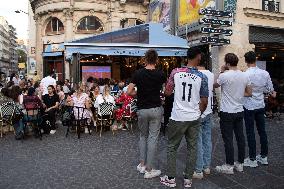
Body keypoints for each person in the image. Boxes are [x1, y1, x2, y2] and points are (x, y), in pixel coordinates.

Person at [160, 47, 208, 188]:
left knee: (172, 147)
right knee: (193, 148)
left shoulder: (175, 72)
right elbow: (204, 101)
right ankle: (188, 179)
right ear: (198, 57)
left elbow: (167, 92)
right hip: (193, 117)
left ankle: (170, 178)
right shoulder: (202, 77)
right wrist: (197, 112)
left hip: (177, 116)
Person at [127, 49, 166, 179]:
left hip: (142, 109)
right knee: (153, 138)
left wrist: (139, 93)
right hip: (155, 108)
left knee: (143, 136)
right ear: (157, 60)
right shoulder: (161, 74)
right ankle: (149, 169)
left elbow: (129, 91)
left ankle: (142, 164)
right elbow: (166, 91)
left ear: (145, 59)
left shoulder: (138, 73)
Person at [214, 53, 252, 174]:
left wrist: (221, 71)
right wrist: (239, 94)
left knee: (228, 139)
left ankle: (229, 165)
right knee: (240, 137)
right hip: (239, 110)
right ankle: (240, 163)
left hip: (227, 111)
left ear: (227, 63)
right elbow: (249, 92)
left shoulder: (225, 75)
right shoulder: (244, 75)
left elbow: (215, 85)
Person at [243, 51, 276, 168]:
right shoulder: (265, 73)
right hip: (260, 105)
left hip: (248, 106)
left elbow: (244, 91)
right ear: (255, 60)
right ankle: (263, 157)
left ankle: (252, 159)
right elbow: (271, 90)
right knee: (262, 131)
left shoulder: (245, 74)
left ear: (246, 61)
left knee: (250, 132)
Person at [193, 53, 214, 179]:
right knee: (207, 139)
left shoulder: (196, 75)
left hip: (199, 110)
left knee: (198, 141)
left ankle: (199, 169)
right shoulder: (211, 74)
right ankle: (206, 166)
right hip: (209, 110)